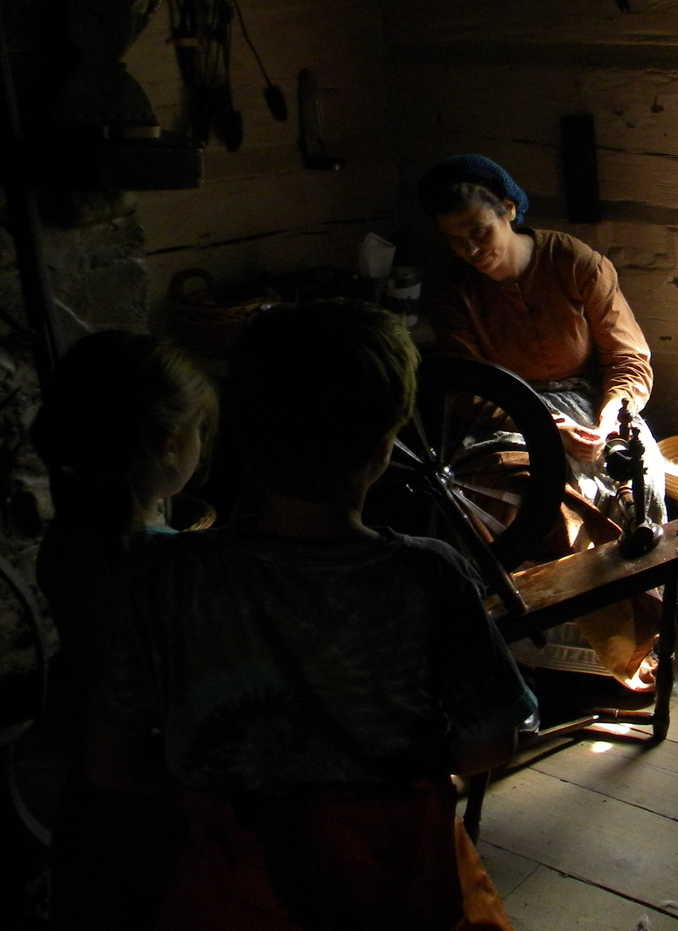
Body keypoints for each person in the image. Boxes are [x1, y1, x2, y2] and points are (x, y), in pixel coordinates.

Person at [87, 301, 536, 931]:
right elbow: (488, 741)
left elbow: (112, 761)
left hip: (232, 888)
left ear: (241, 430)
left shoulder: (166, 574)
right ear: (384, 449)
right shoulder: (428, 576)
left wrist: (232, 790)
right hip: (395, 876)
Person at [419, 153, 665, 687]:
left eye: (480, 232)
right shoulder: (450, 290)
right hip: (503, 412)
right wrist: (545, 426)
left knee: (640, 477)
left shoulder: (575, 262)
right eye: (455, 240)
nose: (471, 249)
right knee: (506, 496)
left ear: (509, 210)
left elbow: (628, 360)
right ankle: (536, 653)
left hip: (590, 400)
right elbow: (469, 388)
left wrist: (611, 418)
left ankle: (626, 644)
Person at [31, 330, 217, 930]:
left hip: (83, 796)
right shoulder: (173, 567)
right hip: (156, 796)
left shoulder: (65, 543)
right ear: (169, 445)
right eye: (200, 431)